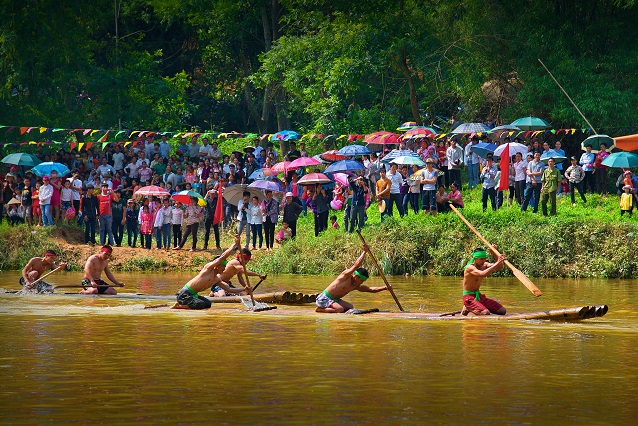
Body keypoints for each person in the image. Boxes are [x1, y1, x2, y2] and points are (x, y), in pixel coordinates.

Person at [171, 236, 251, 308]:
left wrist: (244, 289)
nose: (224, 268)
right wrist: (234, 244)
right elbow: (223, 256)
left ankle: (185, 304)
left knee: (208, 304)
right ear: (216, 266)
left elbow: (229, 289)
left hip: (194, 295)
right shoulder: (208, 269)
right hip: (185, 294)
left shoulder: (216, 279)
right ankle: (180, 305)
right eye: (223, 266)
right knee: (200, 304)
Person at [315, 248, 388, 313]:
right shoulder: (345, 276)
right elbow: (356, 266)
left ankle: (332, 308)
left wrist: (385, 288)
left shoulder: (355, 286)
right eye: (361, 280)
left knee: (350, 307)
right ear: (356, 276)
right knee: (340, 309)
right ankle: (319, 309)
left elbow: (370, 289)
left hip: (335, 300)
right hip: (324, 298)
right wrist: (364, 252)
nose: (361, 282)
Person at [461, 247, 507, 316]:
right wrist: (497, 262)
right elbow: (483, 274)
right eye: (481, 259)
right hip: (469, 297)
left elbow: (499, 267)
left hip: (478, 296)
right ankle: (468, 307)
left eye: (484, 258)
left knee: (502, 311)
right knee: (486, 313)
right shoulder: (470, 268)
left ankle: (471, 307)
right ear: (475, 259)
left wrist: (494, 252)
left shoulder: (484, 265)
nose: (483, 261)